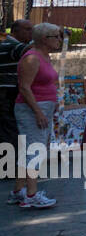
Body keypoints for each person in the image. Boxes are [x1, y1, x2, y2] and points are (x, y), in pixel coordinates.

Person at [13, 23, 64, 209]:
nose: (60, 40)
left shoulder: (44, 56)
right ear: (45, 39)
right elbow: (24, 87)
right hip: (33, 109)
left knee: (30, 149)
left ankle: (19, 190)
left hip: (43, 107)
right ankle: (31, 194)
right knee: (34, 150)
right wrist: (38, 112)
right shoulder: (32, 58)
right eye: (56, 36)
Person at [1, 20, 34, 204]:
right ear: (15, 30)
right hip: (8, 91)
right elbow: (31, 52)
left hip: (7, 90)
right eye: (28, 29)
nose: (31, 32)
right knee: (10, 130)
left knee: (7, 130)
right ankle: (8, 168)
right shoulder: (14, 45)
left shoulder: (8, 44)